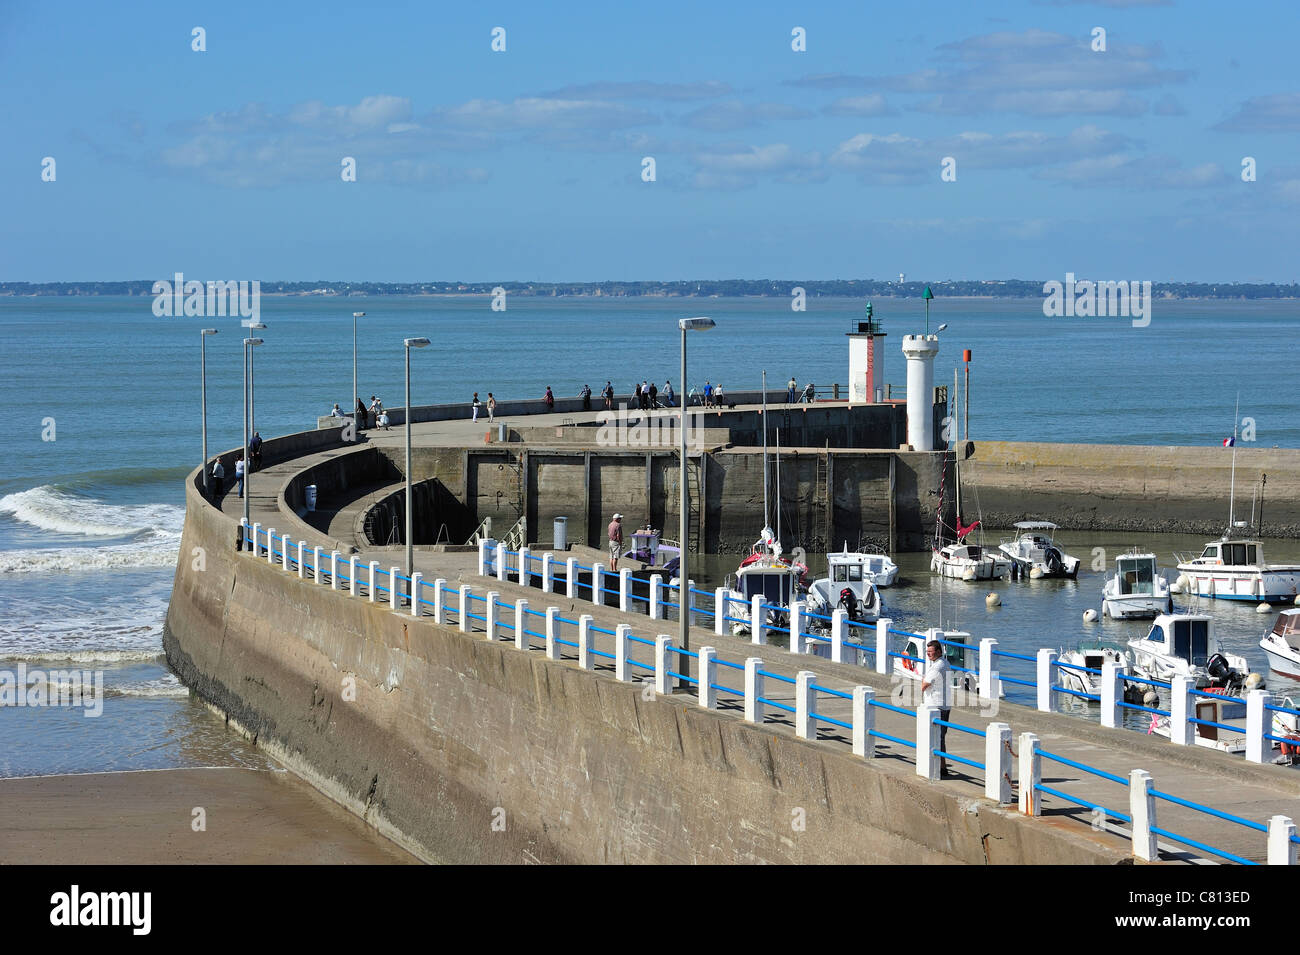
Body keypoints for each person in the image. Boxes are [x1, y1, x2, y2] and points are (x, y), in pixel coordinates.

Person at [921, 640, 953, 778]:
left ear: (939, 652)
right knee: (941, 738)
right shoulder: (945, 663)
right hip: (945, 705)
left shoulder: (936, 668)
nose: (928, 654)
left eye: (930, 651)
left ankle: (940, 767)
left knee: (935, 738)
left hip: (935, 706)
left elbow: (924, 685)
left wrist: (923, 682)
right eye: (927, 652)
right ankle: (942, 766)